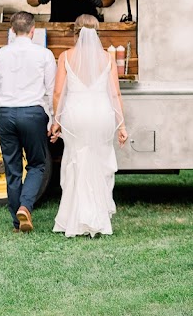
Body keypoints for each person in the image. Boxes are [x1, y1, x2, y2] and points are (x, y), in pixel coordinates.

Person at [49, 14, 128, 237]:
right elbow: (114, 93)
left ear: (75, 32)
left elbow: (57, 93)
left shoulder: (65, 56)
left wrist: (57, 120)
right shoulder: (107, 58)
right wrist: (121, 125)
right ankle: (98, 217)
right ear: (97, 32)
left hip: (76, 114)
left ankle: (74, 218)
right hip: (102, 114)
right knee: (99, 161)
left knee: (76, 161)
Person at [0, 10, 57, 233]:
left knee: (12, 168)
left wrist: (5, 96)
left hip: (6, 114)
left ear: (12, 31)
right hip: (33, 113)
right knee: (37, 164)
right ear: (33, 31)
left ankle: (17, 221)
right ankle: (25, 206)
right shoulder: (44, 55)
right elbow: (52, 91)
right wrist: (54, 119)